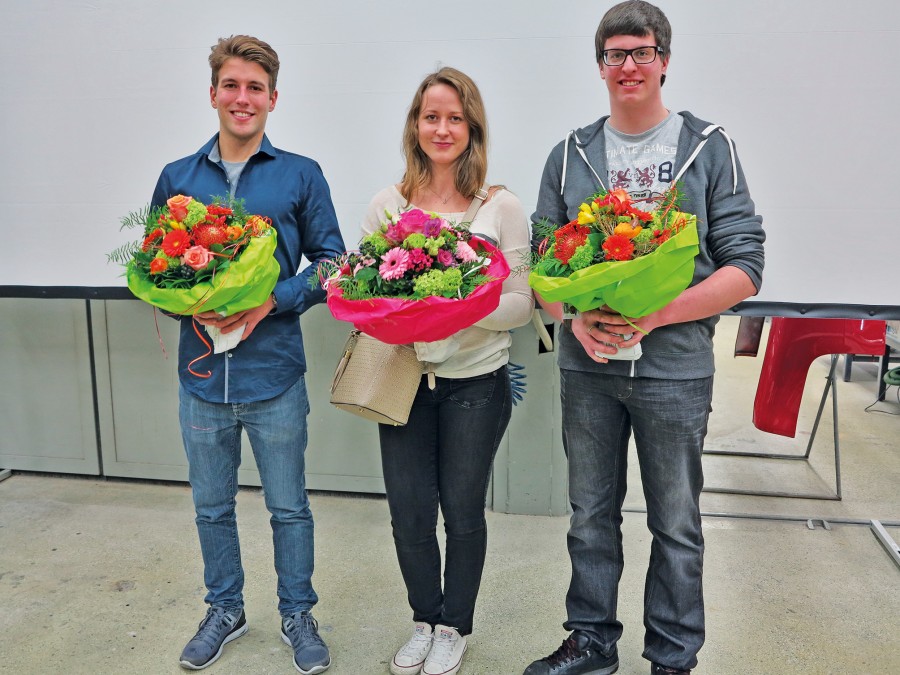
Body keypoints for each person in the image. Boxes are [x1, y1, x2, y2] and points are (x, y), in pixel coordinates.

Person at [523, 3, 765, 675]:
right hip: (588, 366)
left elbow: (745, 265)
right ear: (599, 64)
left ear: (663, 59)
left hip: (676, 369)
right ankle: (592, 639)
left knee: (677, 523)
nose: (628, 66)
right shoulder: (569, 154)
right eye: (615, 54)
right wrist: (574, 316)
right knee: (589, 513)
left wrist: (656, 316)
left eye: (641, 51)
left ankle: (672, 655)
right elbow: (542, 270)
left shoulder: (707, 146)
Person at [150, 35, 345, 674]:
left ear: (272, 99)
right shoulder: (177, 179)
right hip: (202, 376)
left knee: (289, 507)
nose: (243, 98)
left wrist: (270, 302)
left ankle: (297, 614)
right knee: (211, 507)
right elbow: (156, 266)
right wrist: (186, 303)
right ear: (213, 94)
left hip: (275, 375)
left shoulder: (300, 174)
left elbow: (334, 262)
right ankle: (225, 610)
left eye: (255, 88)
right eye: (231, 86)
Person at [361, 67, 534, 675]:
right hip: (403, 384)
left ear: (472, 128)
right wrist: (400, 316)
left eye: (455, 118)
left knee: (462, 513)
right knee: (409, 513)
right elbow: (365, 295)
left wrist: (454, 316)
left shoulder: (500, 206)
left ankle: (455, 626)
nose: (442, 128)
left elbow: (520, 301)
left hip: (477, 386)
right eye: (431, 116)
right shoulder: (388, 206)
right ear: (415, 125)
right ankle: (423, 619)